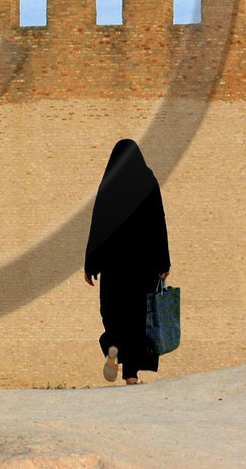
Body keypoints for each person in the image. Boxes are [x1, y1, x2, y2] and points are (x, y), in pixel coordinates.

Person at [83, 138, 170, 384]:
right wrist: (163, 262)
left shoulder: (109, 183)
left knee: (114, 315)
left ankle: (112, 344)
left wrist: (91, 263)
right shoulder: (148, 181)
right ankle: (131, 375)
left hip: (114, 267)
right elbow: (158, 223)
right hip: (143, 266)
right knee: (137, 320)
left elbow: (98, 224)